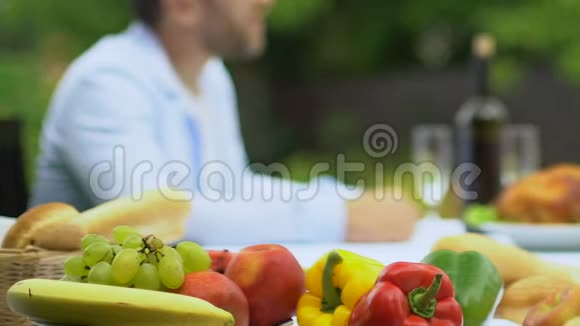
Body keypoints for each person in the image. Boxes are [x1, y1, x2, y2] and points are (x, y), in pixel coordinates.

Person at [29, 0, 420, 244]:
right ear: (183, 5)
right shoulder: (104, 81)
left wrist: (346, 199)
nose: (268, 2)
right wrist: (339, 218)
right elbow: (153, 219)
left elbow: (234, 187)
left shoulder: (211, 77)